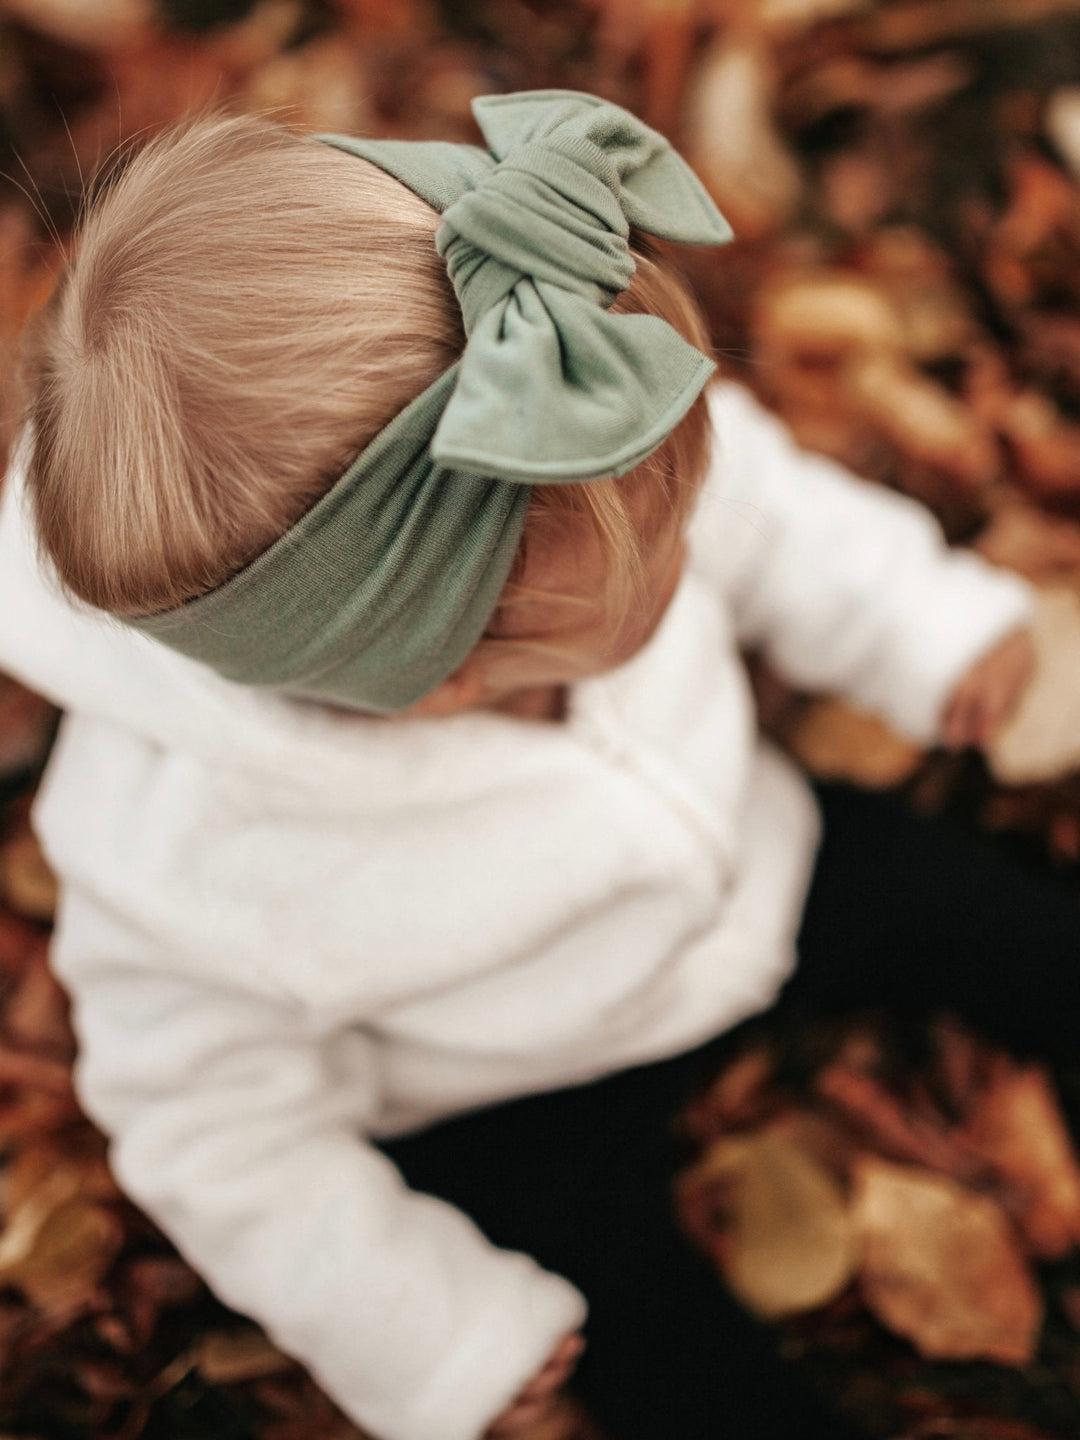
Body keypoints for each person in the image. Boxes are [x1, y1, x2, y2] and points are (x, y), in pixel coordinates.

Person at [1, 92, 1069, 1440]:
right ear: (447, 674)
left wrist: (919, 625)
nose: (692, 521)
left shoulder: (587, 440)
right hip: (509, 1082)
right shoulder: (182, 870)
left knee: (991, 919)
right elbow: (213, 1135)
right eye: (657, 551)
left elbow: (764, 507)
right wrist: (431, 1333)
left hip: (761, 861)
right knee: (650, 1346)